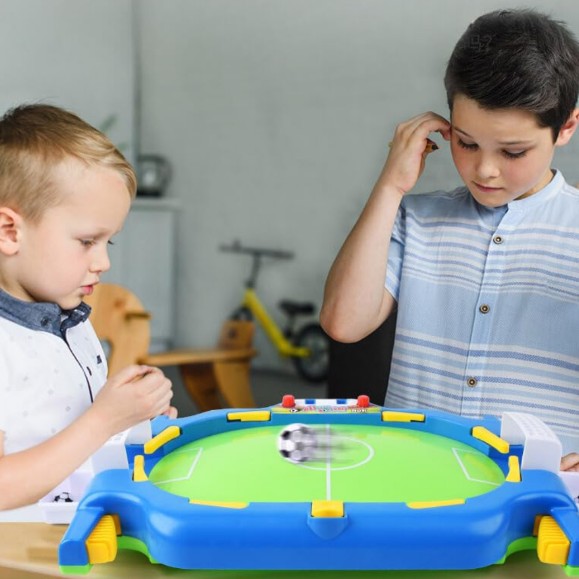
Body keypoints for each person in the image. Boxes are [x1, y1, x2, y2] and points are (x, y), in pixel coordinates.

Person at [320, 9, 579, 472]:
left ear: (567, 127)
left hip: (539, 490)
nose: (485, 170)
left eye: (513, 151)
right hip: (413, 479)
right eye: (466, 143)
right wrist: (390, 186)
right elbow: (344, 323)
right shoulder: (415, 218)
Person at [0, 103, 176, 510]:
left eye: (107, 241)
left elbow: (68, 435)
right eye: (86, 241)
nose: (103, 262)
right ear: (9, 231)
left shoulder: (71, 319)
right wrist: (104, 421)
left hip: (81, 526)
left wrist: (132, 423)